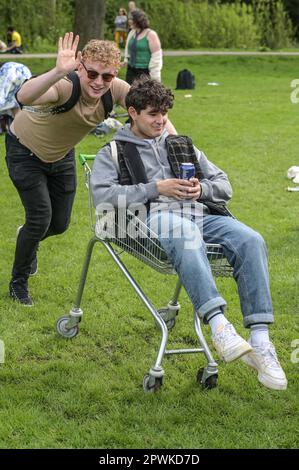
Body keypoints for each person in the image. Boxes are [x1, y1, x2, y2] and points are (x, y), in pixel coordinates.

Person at [90, 77, 287, 391]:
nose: (161, 120)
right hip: (152, 219)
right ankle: (219, 326)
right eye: (153, 114)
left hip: (201, 214)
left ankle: (261, 342)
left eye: (165, 113)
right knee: (184, 233)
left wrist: (202, 188)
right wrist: (157, 188)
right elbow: (102, 198)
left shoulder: (181, 143)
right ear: (133, 112)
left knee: (251, 239)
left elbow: (224, 185)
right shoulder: (113, 152)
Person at [5, 32, 176, 307]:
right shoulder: (64, 85)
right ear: (80, 67)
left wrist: (175, 147)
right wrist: (58, 70)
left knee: (59, 224)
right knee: (40, 218)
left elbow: (154, 111)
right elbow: (24, 96)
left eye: (106, 76)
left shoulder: (117, 90)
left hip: (60, 157)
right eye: (92, 73)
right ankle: (18, 283)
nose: (98, 82)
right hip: (24, 151)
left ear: (114, 74)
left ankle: (28, 237)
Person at [123, 9, 162, 84]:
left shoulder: (151, 34)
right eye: (129, 19)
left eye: (131, 19)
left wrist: (155, 79)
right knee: (129, 93)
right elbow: (128, 50)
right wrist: (126, 60)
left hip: (144, 72)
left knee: (143, 94)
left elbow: (156, 58)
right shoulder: (132, 33)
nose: (129, 21)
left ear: (138, 20)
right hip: (131, 70)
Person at [0, 61, 31, 133]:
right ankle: (20, 129)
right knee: (18, 103)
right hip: (24, 70)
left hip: (9, 70)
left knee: (3, 100)